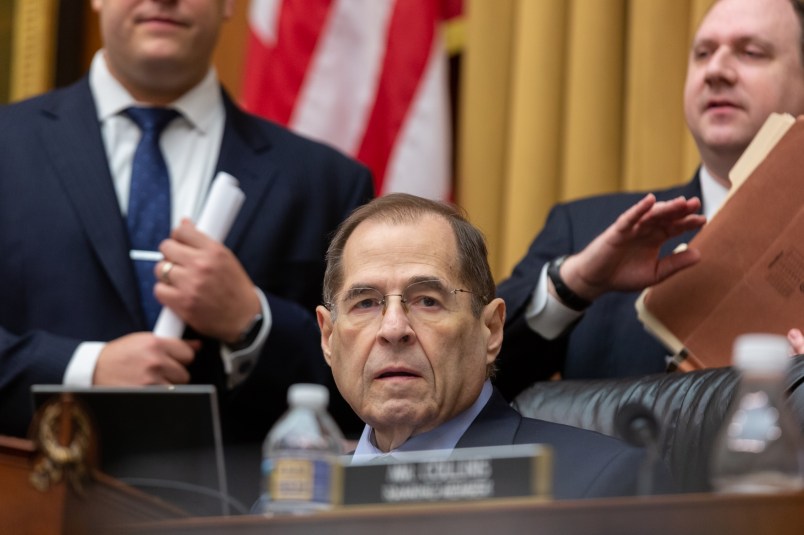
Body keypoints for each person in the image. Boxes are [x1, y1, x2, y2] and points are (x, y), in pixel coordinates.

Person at [0, 0, 373, 448]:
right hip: (27, 501)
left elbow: (375, 379)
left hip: (234, 511)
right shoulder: (8, 147)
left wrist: (253, 322)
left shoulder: (325, 183)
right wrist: (83, 368)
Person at [494, 0, 804, 399]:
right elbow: (468, 388)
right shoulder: (587, 230)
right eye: (703, 53)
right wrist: (575, 286)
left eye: (751, 53)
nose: (716, 72)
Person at [315, 193, 673, 500]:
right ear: (329, 337)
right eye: (365, 303)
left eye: (427, 301)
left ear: (491, 330)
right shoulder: (286, 506)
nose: (393, 328)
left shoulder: (602, 486)